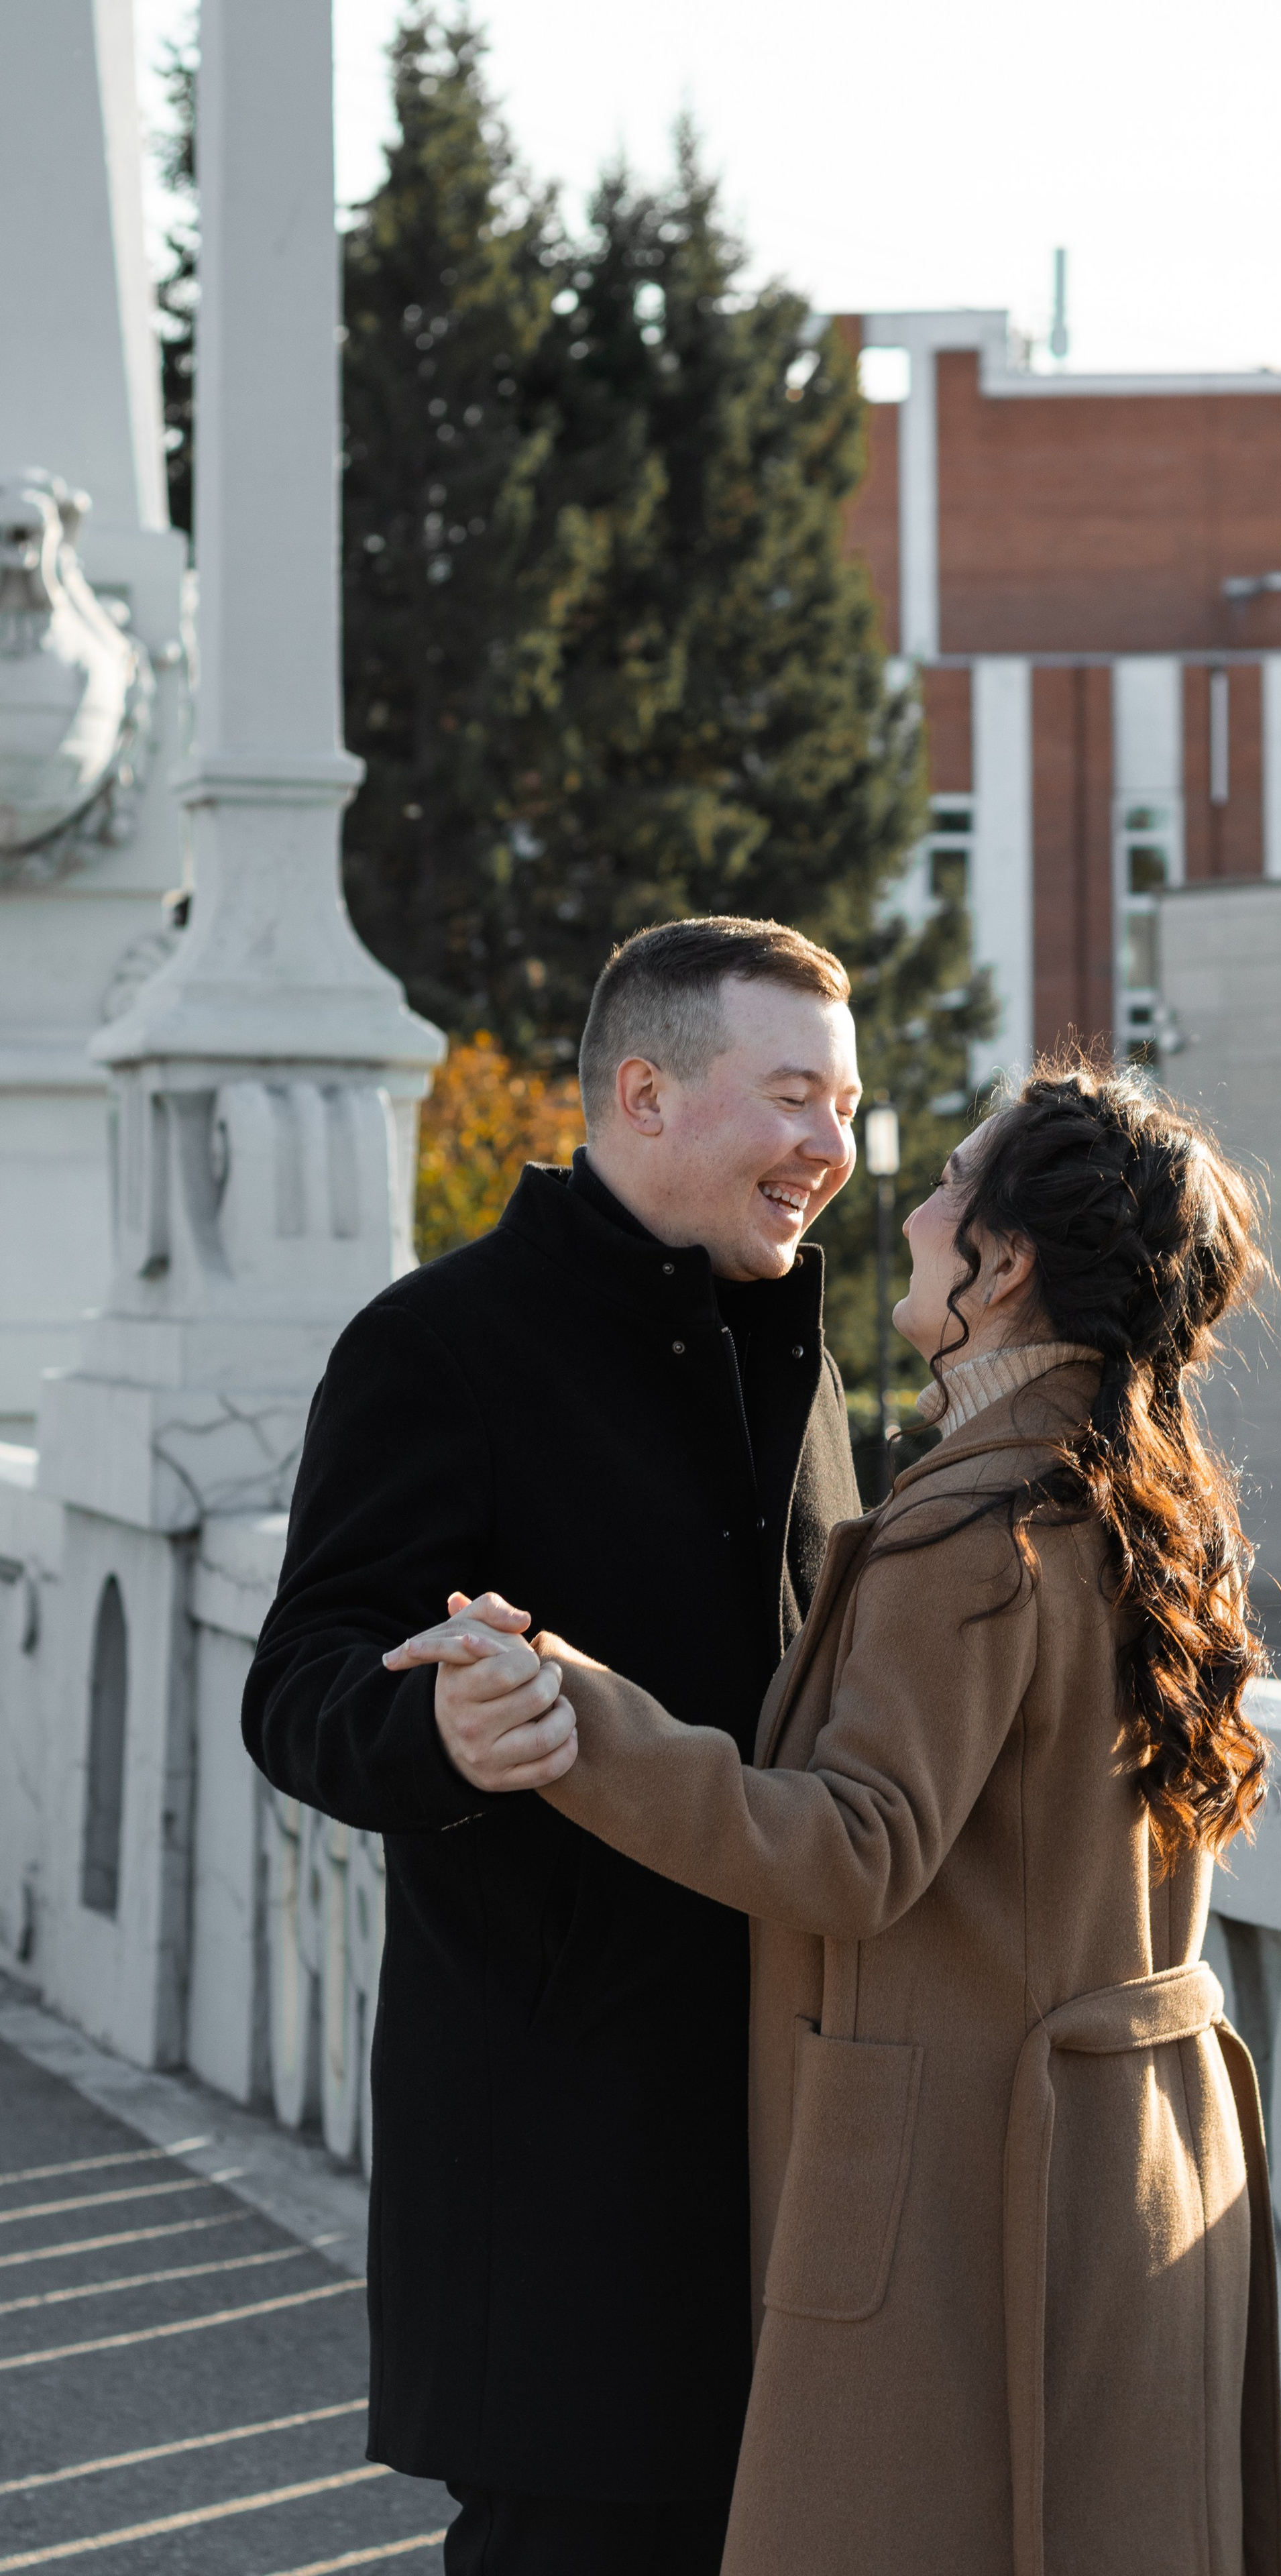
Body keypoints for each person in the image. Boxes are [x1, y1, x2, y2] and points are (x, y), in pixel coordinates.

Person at [393, 1057, 1281, 2576]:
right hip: (1128, 2160)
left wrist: (568, 1707)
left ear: (1001, 1266)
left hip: (959, 2191)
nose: (914, 1205)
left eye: (950, 1185)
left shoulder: (973, 1528)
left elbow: (854, 1851)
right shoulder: (1147, 1498)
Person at [243, 917, 865, 2575]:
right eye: (793, 1096)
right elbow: (296, 1686)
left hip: (797, 2157)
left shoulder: (794, 1348)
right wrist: (431, 1726)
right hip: (565, 2185)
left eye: (847, 1107)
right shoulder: (436, 1343)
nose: (831, 1148)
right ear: (643, 1095)